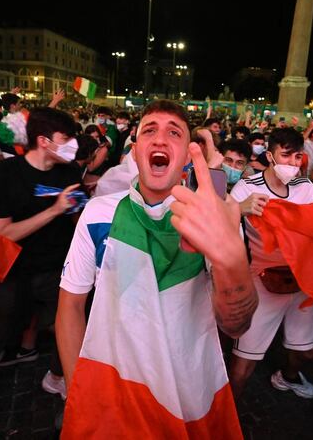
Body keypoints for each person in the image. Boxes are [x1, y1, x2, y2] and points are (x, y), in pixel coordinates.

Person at [56, 100, 255, 438]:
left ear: (188, 156)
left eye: (174, 133)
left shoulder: (213, 219)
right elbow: (70, 307)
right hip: (112, 386)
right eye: (150, 130)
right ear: (135, 151)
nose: (160, 139)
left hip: (187, 393)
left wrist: (232, 259)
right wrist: (81, 392)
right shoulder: (98, 214)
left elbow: (236, 325)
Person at [0, 107, 83, 439]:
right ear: (43, 141)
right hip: (12, 268)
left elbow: (78, 218)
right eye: (66, 140)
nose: (74, 147)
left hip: (57, 269)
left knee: (78, 325)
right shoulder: (5, 175)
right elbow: (4, 233)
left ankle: (58, 377)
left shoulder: (70, 172)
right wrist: (54, 210)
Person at [227, 127, 313, 400]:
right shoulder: (248, 187)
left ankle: (288, 377)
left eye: (298, 157)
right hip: (261, 282)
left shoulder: (305, 188)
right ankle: (225, 419)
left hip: (300, 282)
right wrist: (238, 209)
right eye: (286, 156)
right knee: (243, 365)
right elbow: (216, 224)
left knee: (309, 351)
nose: (293, 164)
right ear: (270, 156)